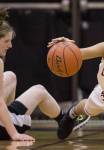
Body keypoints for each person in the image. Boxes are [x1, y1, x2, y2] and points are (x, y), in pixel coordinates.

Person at [0, 9, 64, 141]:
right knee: (39, 90)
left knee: (10, 76)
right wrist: (14, 134)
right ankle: (66, 120)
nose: (10, 45)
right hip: (3, 130)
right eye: (6, 41)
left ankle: (9, 115)